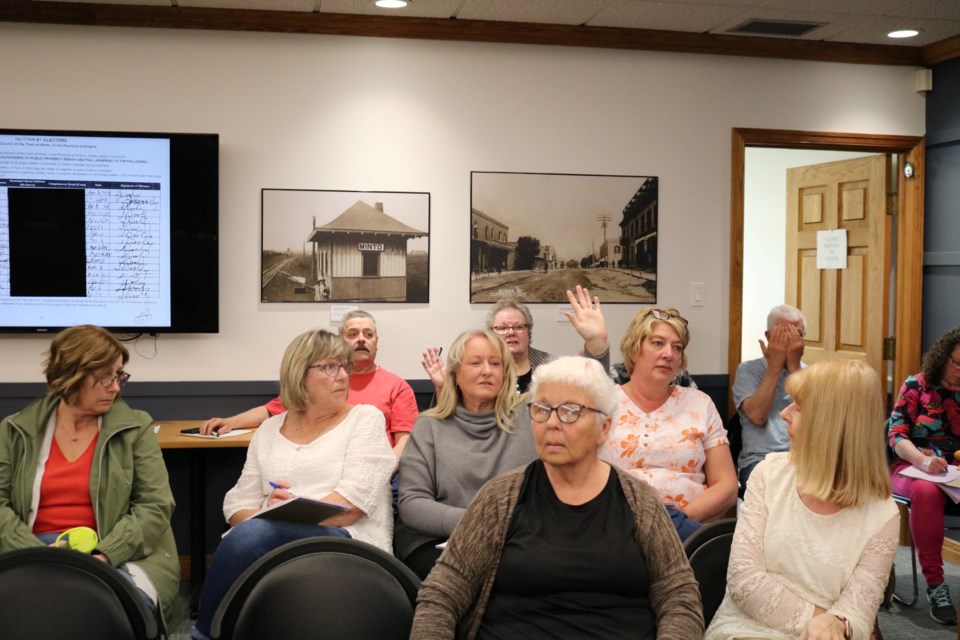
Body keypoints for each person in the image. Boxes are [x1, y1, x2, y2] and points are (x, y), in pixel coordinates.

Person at [410, 357, 704, 639]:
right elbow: (443, 592)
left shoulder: (639, 501)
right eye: (542, 409)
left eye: (570, 411)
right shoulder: (500, 498)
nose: (551, 423)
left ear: (603, 428)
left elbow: (679, 595)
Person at [192, 329, 396, 640]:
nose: (343, 375)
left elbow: (349, 507)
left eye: (345, 365)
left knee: (251, 535)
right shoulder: (269, 429)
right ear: (299, 375)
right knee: (248, 534)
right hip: (278, 535)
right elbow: (234, 505)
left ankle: (203, 636)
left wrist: (279, 514)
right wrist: (267, 508)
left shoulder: (365, 419)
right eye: (330, 367)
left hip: (350, 539)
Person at [0, 325, 180, 630]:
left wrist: (104, 556)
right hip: (32, 547)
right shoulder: (15, 429)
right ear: (69, 376)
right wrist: (34, 554)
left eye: (119, 375)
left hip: (115, 551)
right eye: (105, 377)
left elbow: (155, 505)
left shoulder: (135, 427)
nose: (115, 387)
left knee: (100, 612)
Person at [706, 359, 899, 640]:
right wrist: (829, 624)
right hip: (746, 628)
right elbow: (744, 581)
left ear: (830, 426)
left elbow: (859, 609)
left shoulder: (883, 515)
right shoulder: (768, 475)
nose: (784, 414)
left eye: (797, 407)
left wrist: (843, 625)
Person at [396, 329, 538, 579]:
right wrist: (479, 522)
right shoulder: (428, 426)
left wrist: (596, 345)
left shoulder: (530, 415)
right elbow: (412, 503)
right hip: (437, 540)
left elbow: (586, 403)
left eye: (495, 363)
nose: (487, 370)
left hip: (513, 538)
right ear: (455, 375)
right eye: (475, 363)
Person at [201, 310, 418, 459]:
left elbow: (404, 442)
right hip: (321, 466)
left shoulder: (397, 386)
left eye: (368, 334)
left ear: (376, 343)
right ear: (339, 341)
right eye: (353, 334)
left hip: (375, 470)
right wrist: (231, 422)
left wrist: (381, 470)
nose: (361, 339)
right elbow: (271, 410)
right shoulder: (320, 380)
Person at [598, 307, 738, 523]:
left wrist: (677, 523)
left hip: (684, 528)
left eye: (677, 348)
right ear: (634, 350)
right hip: (613, 524)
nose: (668, 354)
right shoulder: (604, 403)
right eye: (657, 343)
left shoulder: (700, 403)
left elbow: (727, 486)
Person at [887, 326, 960, 625]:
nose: (959, 370)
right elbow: (896, 436)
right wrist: (922, 460)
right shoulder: (916, 386)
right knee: (927, 493)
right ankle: (936, 585)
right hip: (913, 468)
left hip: (955, 473)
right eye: (956, 362)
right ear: (943, 357)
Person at [420, 286, 610, 394]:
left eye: (518, 326)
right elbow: (452, 421)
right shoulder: (476, 372)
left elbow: (594, 395)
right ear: (491, 334)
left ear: (529, 332)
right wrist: (443, 388)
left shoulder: (551, 368)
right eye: (502, 328)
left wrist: (596, 344)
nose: (511, 332)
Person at [732, 304, 806, 487]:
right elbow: (757, 416)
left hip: (804, 458)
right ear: (768, 337)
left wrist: (794, 368)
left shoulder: (809, 373)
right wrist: (775, 365)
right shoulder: (749, 370)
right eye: (783, 334)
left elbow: (814, 419)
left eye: (796, 334)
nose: (790, 341)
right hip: (760, 460)